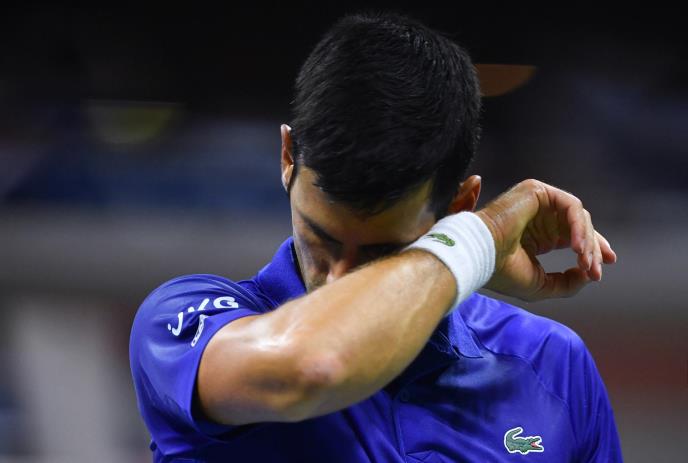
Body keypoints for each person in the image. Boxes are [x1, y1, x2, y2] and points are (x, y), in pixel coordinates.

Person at [129, 10, 623, 462]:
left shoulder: (553, 366)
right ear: (287, 157)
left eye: (382, 252)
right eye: (321, 239)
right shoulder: (183, 320)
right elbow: (315, 366)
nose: (337, 279)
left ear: (458, 205)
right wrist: (485, 237)